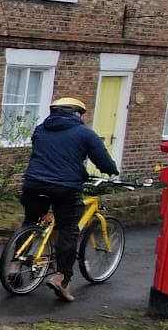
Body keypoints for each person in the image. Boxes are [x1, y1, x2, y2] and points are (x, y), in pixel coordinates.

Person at [21, 97, 120, 302]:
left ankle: (14, 265)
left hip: (34, 183)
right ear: (77, 113)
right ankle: (61, 278)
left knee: (30, 221)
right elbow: (102, 159)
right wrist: (112, 171)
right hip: (64, 187)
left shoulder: (41, 129)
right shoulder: (84, 133)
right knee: (68, 229)